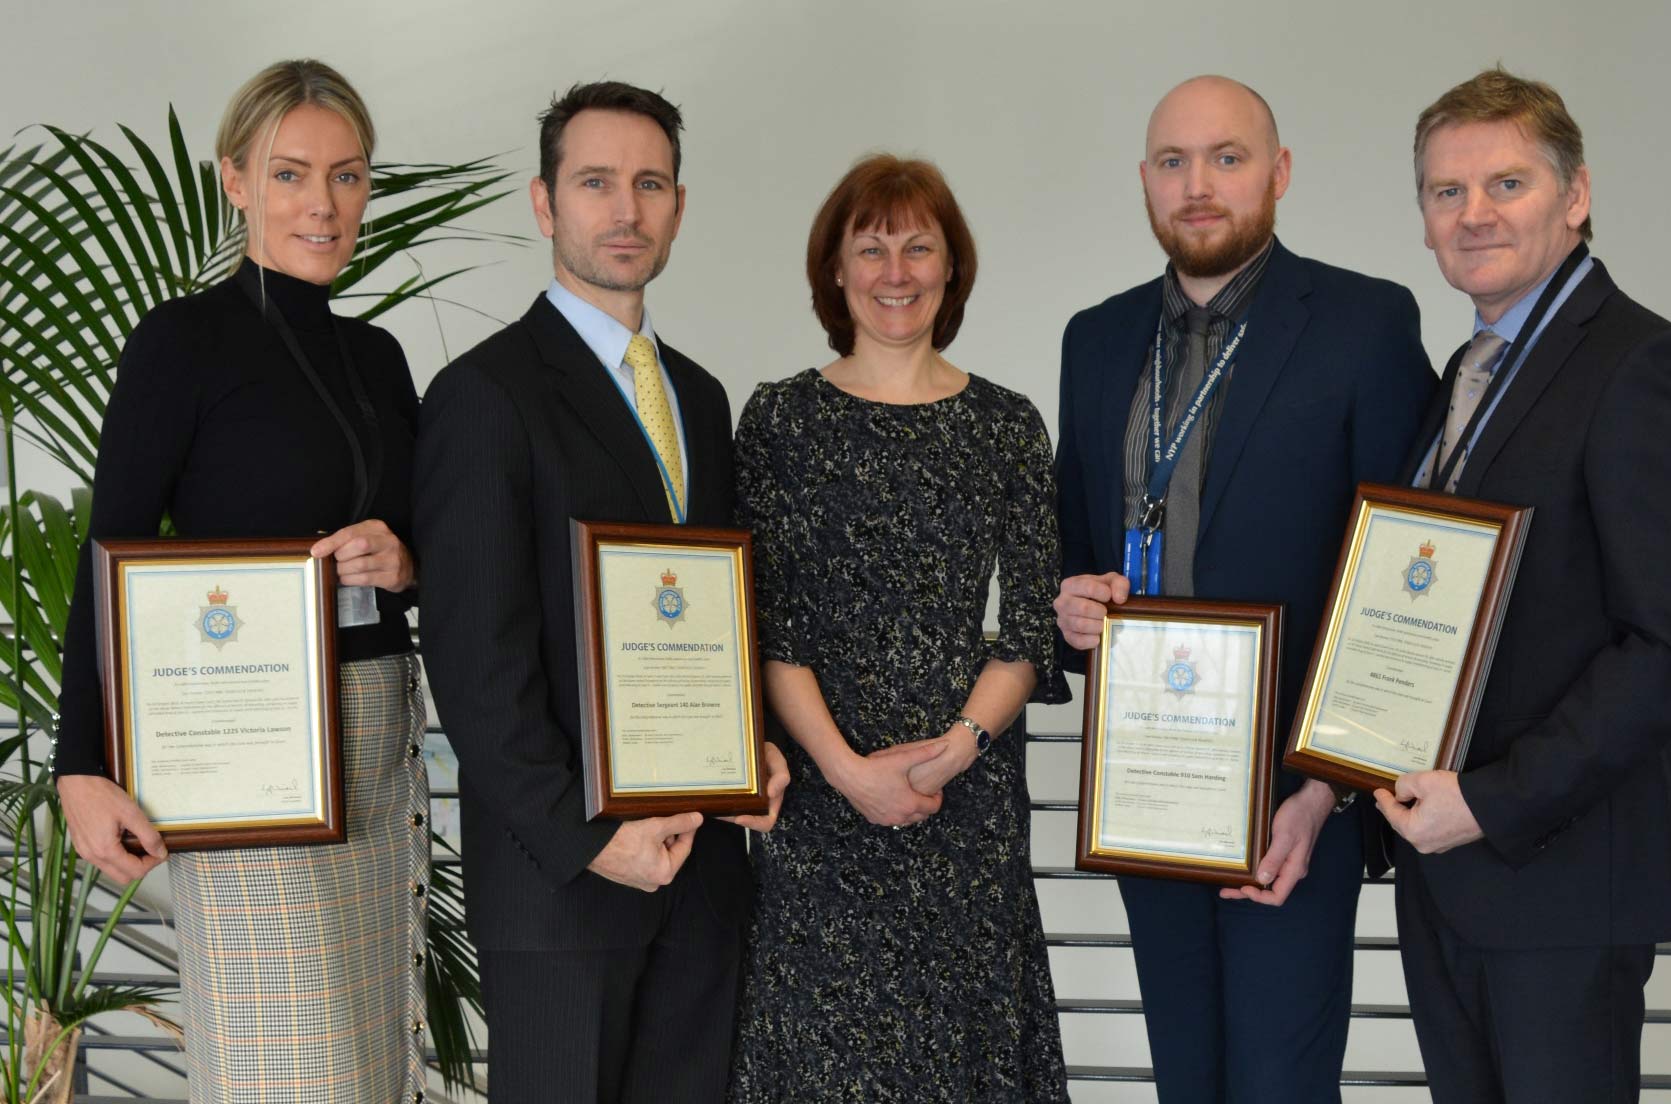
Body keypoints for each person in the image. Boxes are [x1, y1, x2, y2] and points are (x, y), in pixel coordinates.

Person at [1051, 76, 1436, 1102]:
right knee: (1186, 1077)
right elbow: (1072, 540)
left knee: (1279, 1082)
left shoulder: (1365, 324)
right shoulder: (1095, 339)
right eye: (1172, 162)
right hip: (1146, 785)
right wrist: (1071, 607)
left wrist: (1326, 792)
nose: (1199, 185)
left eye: (1227, 157)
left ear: (1279, 172)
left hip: (1292, 802)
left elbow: (1403, 586)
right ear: (1144, 181)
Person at [52, 59, 429, 1102]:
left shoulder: (381, 357)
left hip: (378, 741)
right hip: (248, 751)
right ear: (234, 179)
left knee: (370, 1062)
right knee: (286, 1065)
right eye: (291, 173)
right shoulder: (181, 344)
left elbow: (432, 546)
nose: (323, 204)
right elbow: (110, 546)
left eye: (348, 177)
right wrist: (79, 765)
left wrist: (406, 562)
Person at [412, 81, 787, 1104]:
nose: (624, 209)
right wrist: (589, 840)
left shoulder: (700, 399)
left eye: (648, 183)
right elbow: (473, 661)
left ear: (676, 205)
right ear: (545, 205)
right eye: (594, 183)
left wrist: (743, 746)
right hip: (561, 889)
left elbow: (708, 615)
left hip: (701, 872)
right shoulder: (483, 397)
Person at [1374, 68, 1671, 1104]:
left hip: (1559, 878)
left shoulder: (1647, 367)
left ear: (1574, 196)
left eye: (1506, 183)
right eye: (1446, 193)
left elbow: (1670, 649)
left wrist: (1485, 804)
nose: (1473, 214)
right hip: (1451, 870)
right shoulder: (1466, 374)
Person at [728, 154, 1070, 1103]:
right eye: (870, 248)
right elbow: (766, 630)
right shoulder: (780, 421)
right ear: (833, 271)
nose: (895, 271)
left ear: (950, 268)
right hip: (821, 810)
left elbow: (1030, 628)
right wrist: (846, 772)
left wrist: (951, 755)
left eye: (919, 247)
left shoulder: (1006, 425)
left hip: (965, 806)